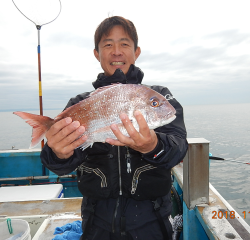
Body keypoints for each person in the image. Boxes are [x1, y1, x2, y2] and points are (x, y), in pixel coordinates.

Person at [41, 16, 188, 240]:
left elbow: (178, 147)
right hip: (96, 223)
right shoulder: (79, 104)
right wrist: (58, 153)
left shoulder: (159, 94)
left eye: (124, 44)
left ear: (137, 52)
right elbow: (59, 166)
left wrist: (152, 146)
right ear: (96, 53)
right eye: (108, 45)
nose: (116, 51)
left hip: (153, 223)